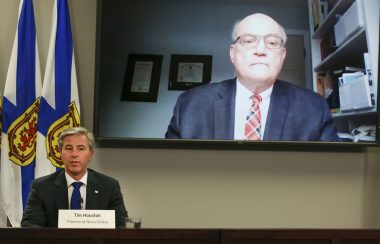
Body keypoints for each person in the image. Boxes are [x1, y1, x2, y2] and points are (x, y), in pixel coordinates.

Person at [165, 13, 340, 141]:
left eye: (272, 42)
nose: (260, 50)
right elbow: (169, 172)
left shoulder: (314, 108)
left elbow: (332, 175)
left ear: (282, 55)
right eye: (249, 41)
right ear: (233, 53)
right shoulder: (190, 104)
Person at [21, 127, 128, 228]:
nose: (74, 154)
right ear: (60, 153)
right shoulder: (41, 187)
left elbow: (121, 226)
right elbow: (30, 226)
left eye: (81, 148)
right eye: (68, 148)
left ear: (91, 154)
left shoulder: (109, 186)